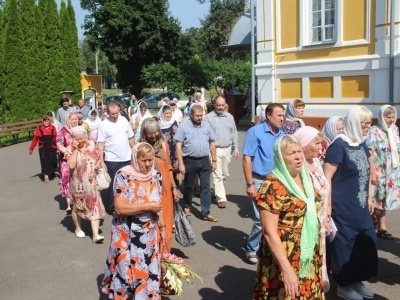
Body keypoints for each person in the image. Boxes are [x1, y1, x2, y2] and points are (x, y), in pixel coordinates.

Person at [253, 135, 325, 299]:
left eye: (299, 151)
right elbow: (269, 232)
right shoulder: (272, 185)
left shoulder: (305, 178)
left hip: (308, 252)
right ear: (280, 157)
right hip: (285, 255)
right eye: (292, 153)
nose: (298, 156)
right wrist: (286, 268)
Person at [323, 106, 378, 300]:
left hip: (361, 206)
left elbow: (368, 171)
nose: (367, 127)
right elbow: (326, 178)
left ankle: (357, 280)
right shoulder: (339, 145)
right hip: (343, 207)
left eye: (369, 123)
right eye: (364, 123)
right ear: (354, 123)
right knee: (344, 246)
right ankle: (344, 285)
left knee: (363, 244)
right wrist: (328, 207)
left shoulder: (360, 143)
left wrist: (369, 197)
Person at [101, 142, 166, 300]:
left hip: (148, 234)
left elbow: (159, 205)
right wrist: (147, 206)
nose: (148, 164)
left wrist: (163, 228)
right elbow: (120, 208)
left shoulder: (156, 176)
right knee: (125, 274)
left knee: (147, 274)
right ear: (135, 159)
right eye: (144, 160)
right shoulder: (123, 175)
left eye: (150, 160)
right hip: (126, 234)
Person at [242, 103, 285, 264]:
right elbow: (247, 159)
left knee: (277, 218)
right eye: (279, 115)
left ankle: (268, 248)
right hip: (259, 180)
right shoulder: (255, 132)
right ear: (268, 116)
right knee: (261, 219)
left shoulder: (282, 135)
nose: (282, 118)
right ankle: (251, 247)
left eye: (283, 115)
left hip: (278, 181)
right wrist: (249, 184)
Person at [294, 126, 331, 292]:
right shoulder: (296, 166)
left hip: (320, 223)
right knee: (303, 261)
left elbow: (326, 187)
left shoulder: (315, 162)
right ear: (303, 144)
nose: (319, 147)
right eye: (316, 143)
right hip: (303, 227)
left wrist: (327, 214)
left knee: (318, 259)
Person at [140, 118, 180, 252]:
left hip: (165, 190)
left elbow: (169, 168)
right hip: (149, 190)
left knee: (167, 223)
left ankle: (165, 255)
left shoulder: (163, 145)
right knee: (152, 224)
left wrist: (174, 188)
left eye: (155, 132)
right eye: (150, 133)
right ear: (144, 133)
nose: (153, 136)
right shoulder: (141, 148)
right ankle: (152, 256)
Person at [174, 103, 218, 222]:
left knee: (206, 187)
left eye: (201, 115)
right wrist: (181, 163)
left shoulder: (206, 126)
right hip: (190, 160)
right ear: (191, 114)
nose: (200, 118)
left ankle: (206, 212)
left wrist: (214, 160)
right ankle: (187, 205)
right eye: (197, 116)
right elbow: (178, 146)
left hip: (204, 160)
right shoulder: (184, 127)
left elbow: (212, 144)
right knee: (189, 186)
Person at [366, 105, 400, 240]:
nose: (391, 120)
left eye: (393, 117)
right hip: (379, 171)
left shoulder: (394, 130)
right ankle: (379, 226)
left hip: (392, 171)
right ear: (381, 117)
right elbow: (370, 152)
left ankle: (381, 226)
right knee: (377, 199)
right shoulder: (374, 131)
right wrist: (372, 171)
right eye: (388, 117)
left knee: (385, 200)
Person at [66, 126, 105, 242]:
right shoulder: (69, 150)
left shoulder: (92, 146)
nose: (80, 141)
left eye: (81, 138)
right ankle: (78, 228)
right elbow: (71, 165)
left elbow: (99, 158)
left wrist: (98, 163)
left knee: (95, 206)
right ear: (73, 139)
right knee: (77, 208)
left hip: (92, 184)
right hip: (77, 185)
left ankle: (95, 235)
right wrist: (76, 150)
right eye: (77, 139)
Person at [98, 101, 135, 212]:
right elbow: (100, 144)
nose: (115, 115)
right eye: (112, 114)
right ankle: (113, 207)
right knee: (113, 184)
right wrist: (101, 160)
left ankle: (126, 204)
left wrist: (136, 153)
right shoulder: (103, 124)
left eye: (117, 113)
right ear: (107, 112)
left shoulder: (124, 120)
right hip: (112, 159)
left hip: (127, 158)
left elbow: (131, 139)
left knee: (127, 183)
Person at [205, 96, 239, 208]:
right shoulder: (208, 118)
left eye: (222, 105)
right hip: (215, 149)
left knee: (224, 174)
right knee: (217, 174)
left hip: (228, 149)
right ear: (214, 105)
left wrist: (236, 147)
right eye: (218, 105)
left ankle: (217, 191)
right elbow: (206, 136)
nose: (220, 107)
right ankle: (221, 198)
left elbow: (233, 133)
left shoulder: (229, 117)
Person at [56, 112, 79, 213]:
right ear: (68, 120)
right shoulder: (63, 130)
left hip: (79, 158)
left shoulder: (80, 129)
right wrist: (66, 151)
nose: (74, 121)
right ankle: (69, 204)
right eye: (72, 119)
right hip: (66, 159)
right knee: (66, 179)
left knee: (78, 179)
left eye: (75, 119)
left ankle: (79, 201)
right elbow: (59, 143)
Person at [29, 115, 58, 183]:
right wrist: (31, 148)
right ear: (43, 122)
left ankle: (51, 172)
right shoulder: (39, 129)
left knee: (53, 161)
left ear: (49, 121)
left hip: (52, 147)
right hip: (43, 148)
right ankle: (46, 175)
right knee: (44, 162)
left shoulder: (53, 128)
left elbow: (56, 138)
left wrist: (58, 147)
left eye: (47, 121)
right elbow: (35, 139)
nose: (46, 122)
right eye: (45, 121)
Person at [159, 105, 180, 181]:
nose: (168, 115)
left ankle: (176, 186)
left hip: (175, 150)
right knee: (167, 169)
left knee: (175, 169)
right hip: (165, 151)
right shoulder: (160, 125)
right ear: (162, 114)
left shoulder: (175, 122)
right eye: (166, 113)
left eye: (169, 113)